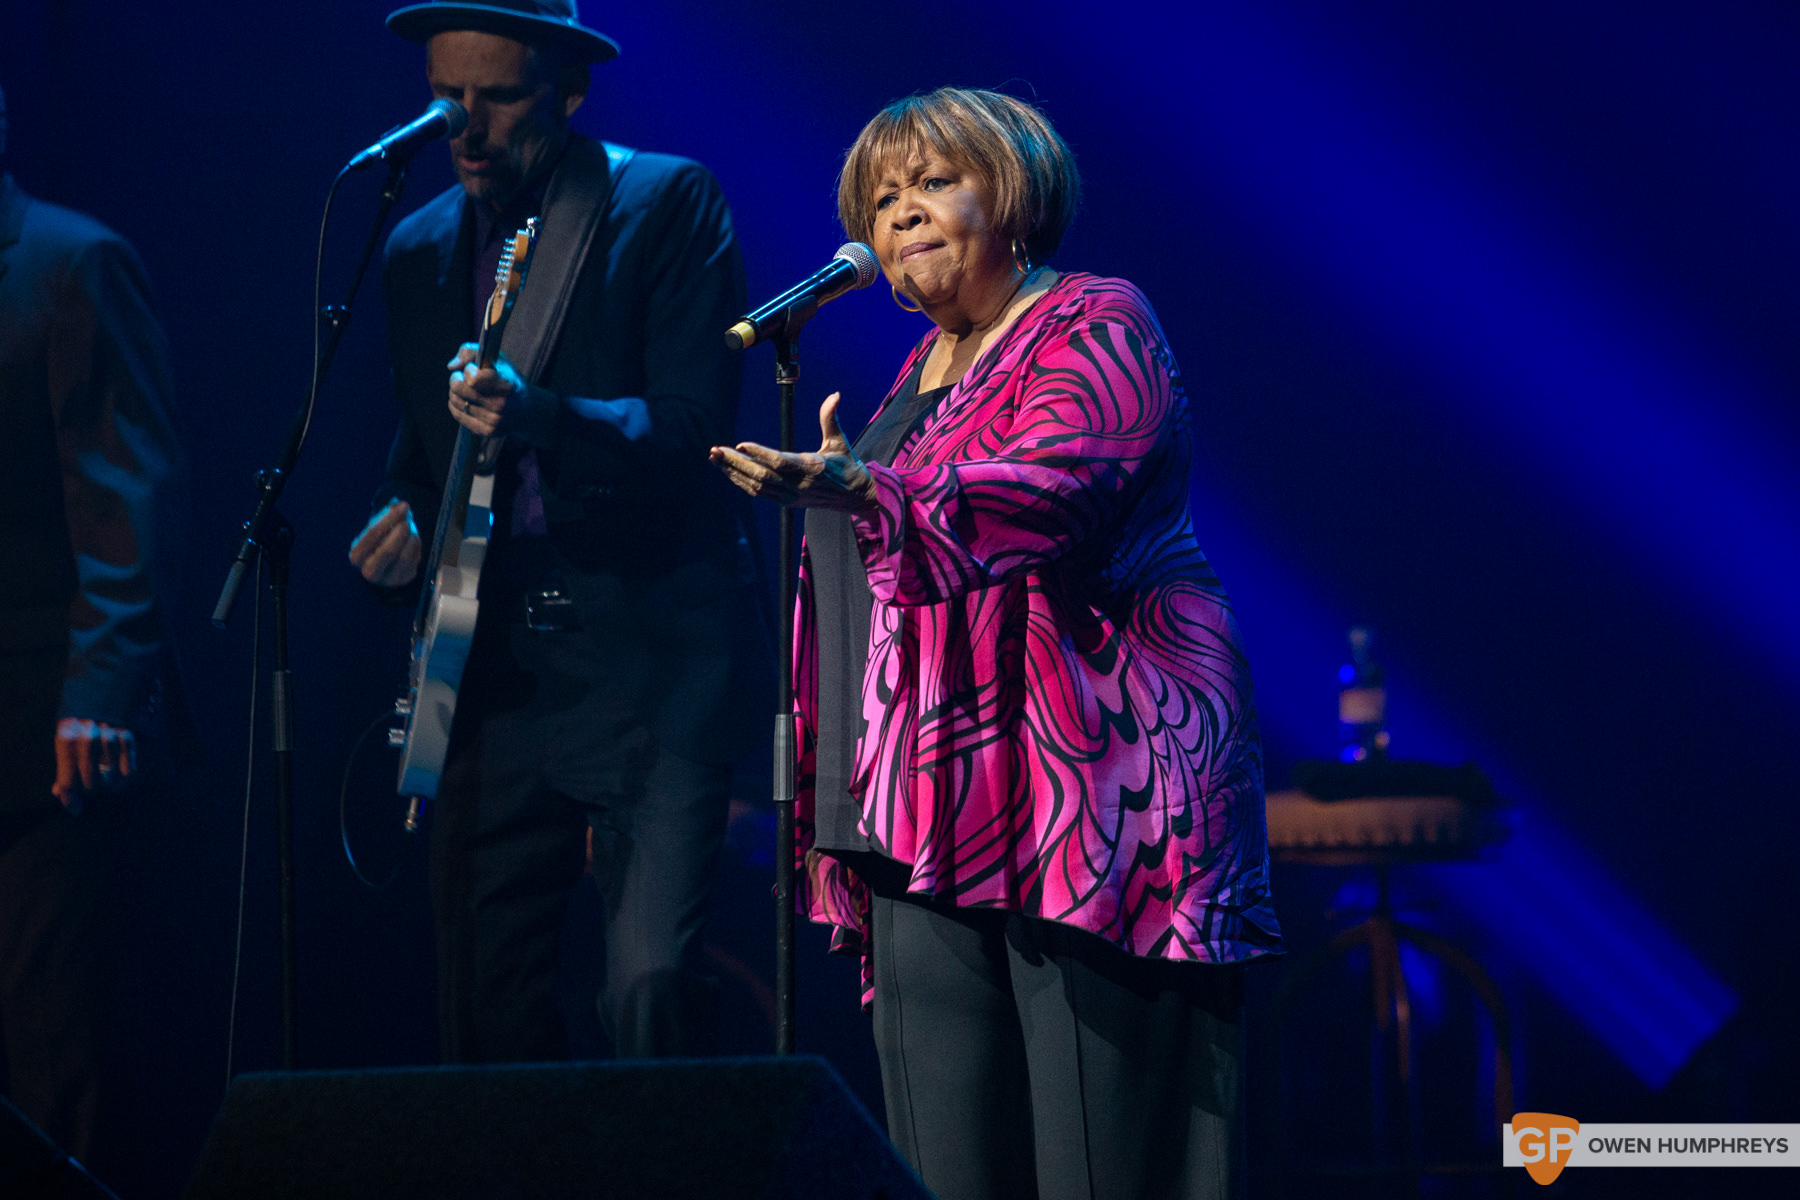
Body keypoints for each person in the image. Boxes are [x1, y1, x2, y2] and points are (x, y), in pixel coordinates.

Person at [712, 88, 1283, 1200]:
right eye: (883, 199)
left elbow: (1056, 491)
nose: (902, 214)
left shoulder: (1095, 320)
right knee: (944, 1166)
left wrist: (867, 491)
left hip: (1095, 798)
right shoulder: (917, 372)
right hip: (921, 811)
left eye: (934, 182)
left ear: (1014, 195)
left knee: (1099, 1163)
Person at [348, 0, 764, 1064]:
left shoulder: (663, 201)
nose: (466, 128)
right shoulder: (417, 247)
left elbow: (696, 429)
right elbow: (421, 455)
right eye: (446, 98)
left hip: (647, 659)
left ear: (569, 90)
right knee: (483, 1004)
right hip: (492, 670)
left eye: (498, 98)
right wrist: (401, 521)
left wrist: (543, 414)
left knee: (650, 990)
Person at [0, 78, 190, 1184]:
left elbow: (125, 491)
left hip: (46, 732)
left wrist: (103, 690)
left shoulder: (70, 262)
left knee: (60, 1045)